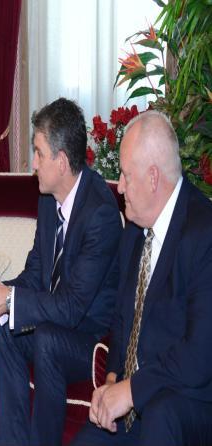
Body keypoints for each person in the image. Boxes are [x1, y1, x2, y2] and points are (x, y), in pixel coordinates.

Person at [0, 98, 122, 445]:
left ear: (62, 161)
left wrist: (11, 298)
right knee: (5, 326)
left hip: (90, 339)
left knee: (46, 339)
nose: (33, 163)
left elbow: (72, 307)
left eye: (39, 153)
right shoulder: (48, 198)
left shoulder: (100, 214)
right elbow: (36, 271)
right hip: (55, 324)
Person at [73, 111, 212, 445]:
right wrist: (111, 382)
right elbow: (123, 319)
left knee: (162, 415)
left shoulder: (204, 234)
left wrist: (131, 391)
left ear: (152, 178)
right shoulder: (135, 230)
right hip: (139, 400)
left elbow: (198, 356)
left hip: (188, 401)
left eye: (125, 175)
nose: (119, 187)